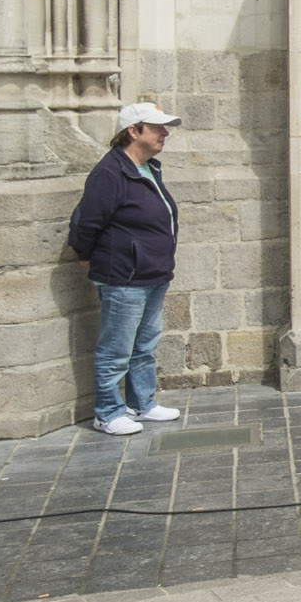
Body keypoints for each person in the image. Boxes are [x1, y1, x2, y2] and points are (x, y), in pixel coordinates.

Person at [68, 103, 186, 436]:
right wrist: (84, 253)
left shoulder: (149, 168)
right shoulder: (110, 172)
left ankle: (141, 404)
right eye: (157, 128)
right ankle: (107, 412)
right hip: (124, 277)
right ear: (133, 131)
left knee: (144, 346)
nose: (165, 133)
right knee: (116, 349)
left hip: (153, 274)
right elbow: (88, 221)